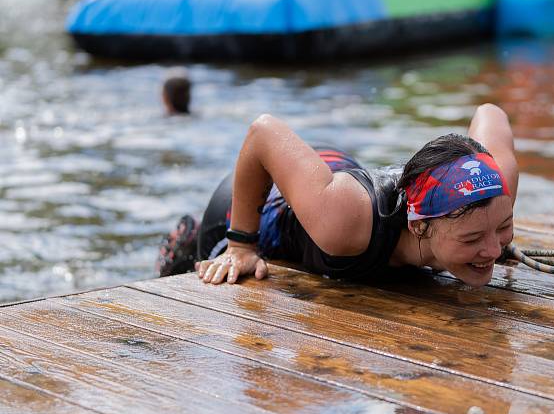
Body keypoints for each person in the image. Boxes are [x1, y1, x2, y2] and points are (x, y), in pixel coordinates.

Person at [157, 103, 518, 288]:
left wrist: (487, 233)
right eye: (473, 238)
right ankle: (185, 241)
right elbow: (262, 133)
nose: (493, 249)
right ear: (420, 227)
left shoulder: (491, 183)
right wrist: (240, 246)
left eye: (503, 228)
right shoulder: (348, 224)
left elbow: (490, 112)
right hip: (259, 203)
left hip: (330, 175)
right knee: (200, 265)